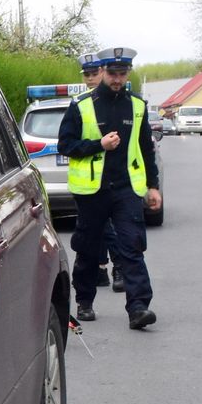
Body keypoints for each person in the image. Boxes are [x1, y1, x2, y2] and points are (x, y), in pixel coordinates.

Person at [58, 47, 161, 329]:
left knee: (132, 247)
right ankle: (85, 300)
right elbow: (65, 145)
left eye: (123, 73)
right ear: (102, 72)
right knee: (89, 249)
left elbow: (145, 150)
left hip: (126, 189)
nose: (118, 79)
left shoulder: (137, 106)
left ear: (128, 73)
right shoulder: (82, 105)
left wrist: (153, 186)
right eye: (113, 73)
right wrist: (98, 145)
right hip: (92, 191)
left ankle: (138, 307)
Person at [76, 53, 124, 293]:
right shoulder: (81, 103)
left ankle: (116, 267)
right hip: (88, 179)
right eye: (87, 74)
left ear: (103, 73)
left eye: (95, 73)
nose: (91, 78)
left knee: (108, 226)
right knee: (99, 227)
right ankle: (103, 268)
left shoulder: (112, 101)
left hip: (112, 176)